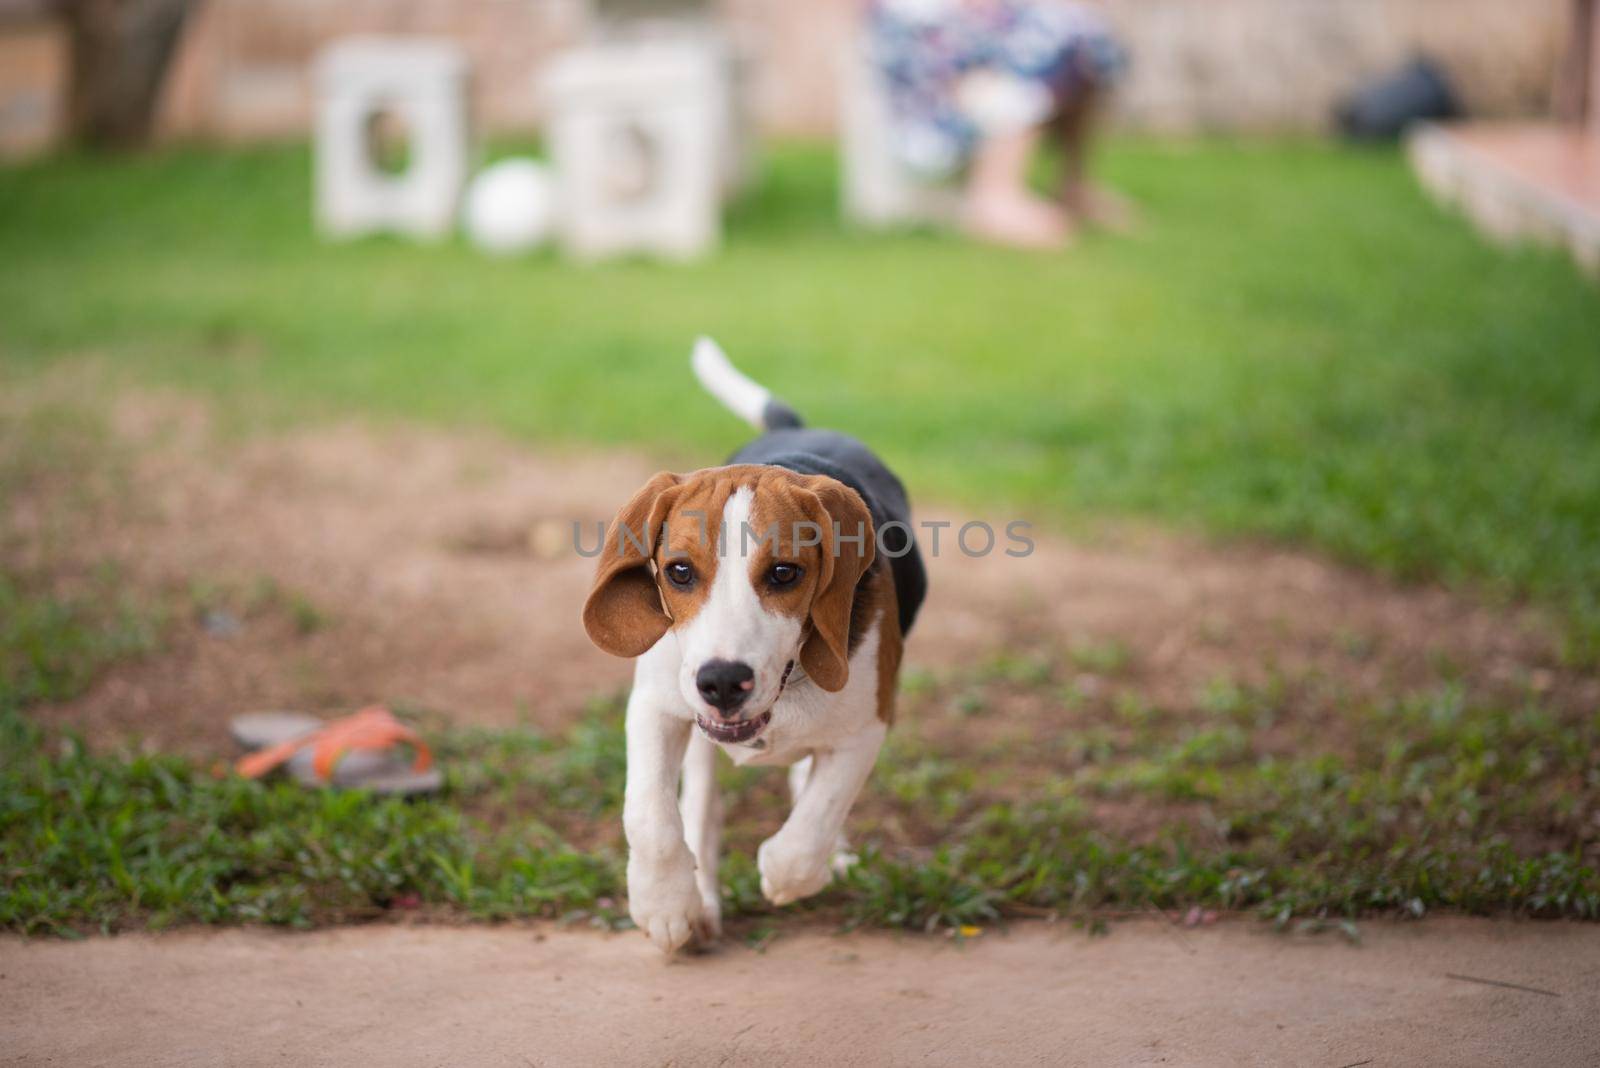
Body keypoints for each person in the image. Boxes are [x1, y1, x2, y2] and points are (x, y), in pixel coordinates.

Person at [867, 0, 1132, 249]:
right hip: (930, 91)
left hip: (974, 33)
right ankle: (994, 194)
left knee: (1073, 31)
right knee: (1042, 41)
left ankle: (1071, 184)